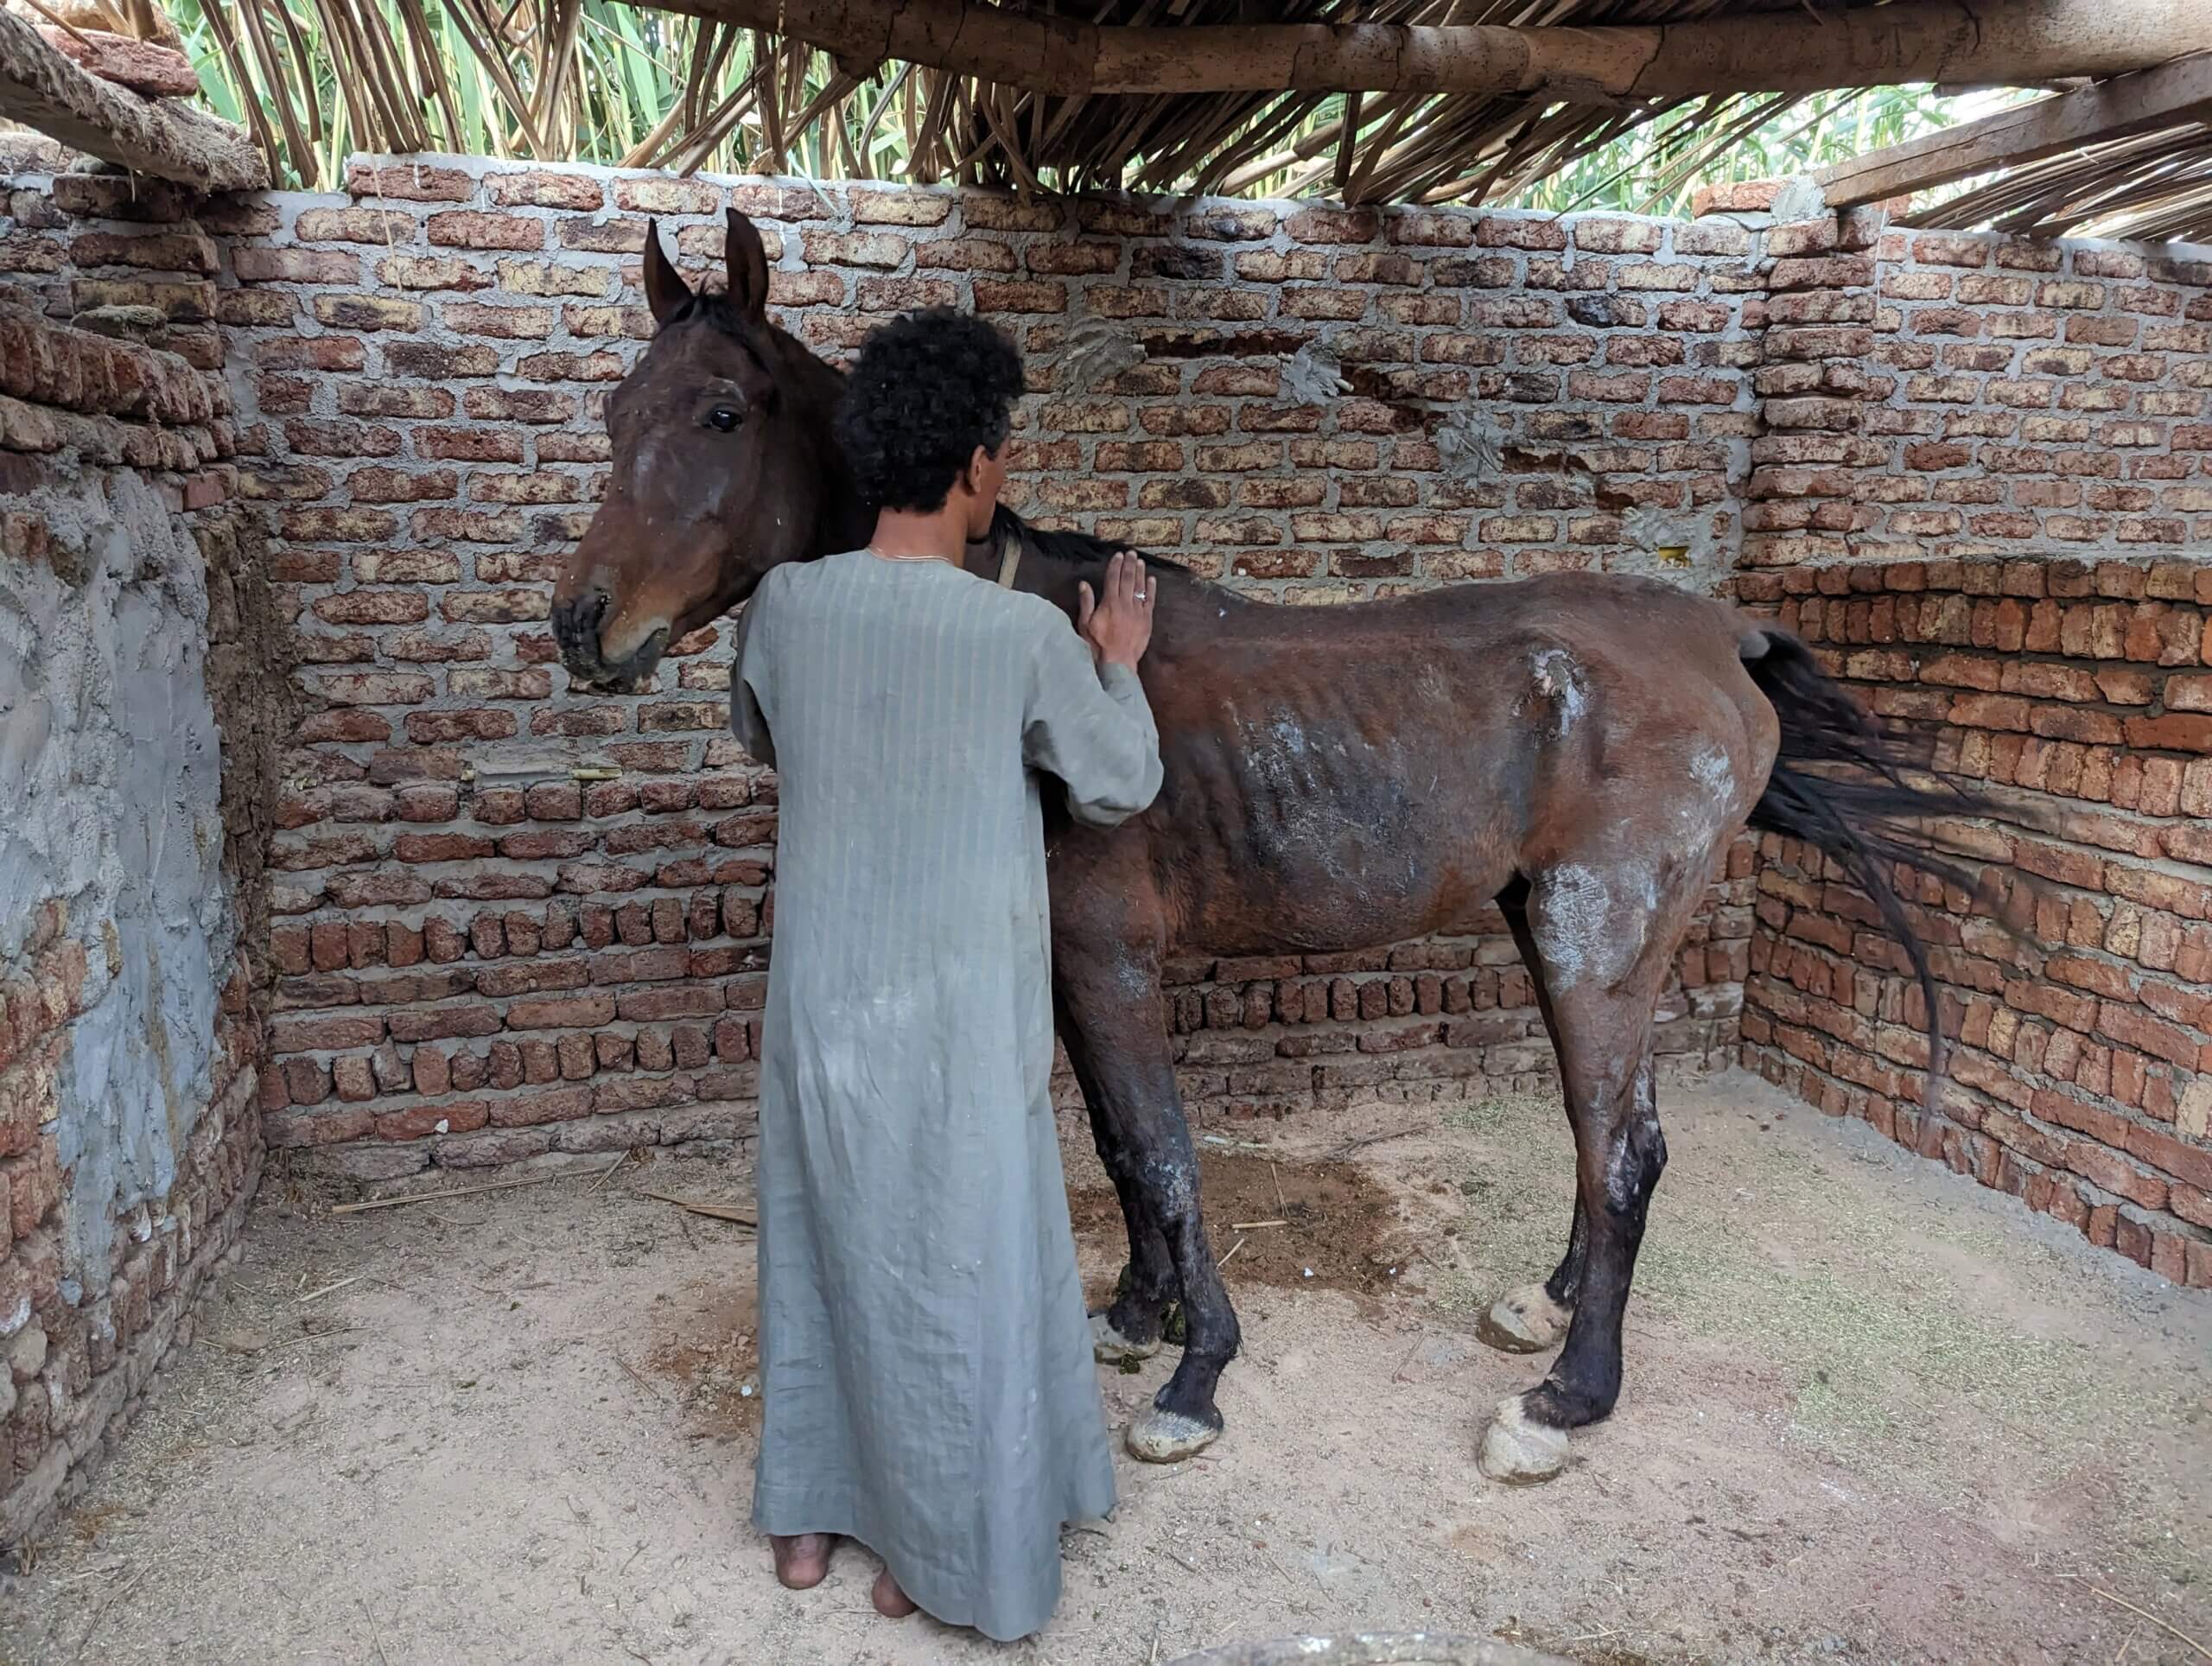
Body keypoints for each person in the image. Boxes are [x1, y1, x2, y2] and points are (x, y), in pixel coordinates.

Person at [728, 307, 1164, 1642]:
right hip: (961, 1015)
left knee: (819, 1236)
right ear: (979, 466)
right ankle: (934, 1549)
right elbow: (1117, 783)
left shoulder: (785, 609)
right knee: (951, 1270)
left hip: (823, 1004)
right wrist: (1120, 669)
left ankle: (804, 1520)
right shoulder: (1018, 635)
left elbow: (760, 733)